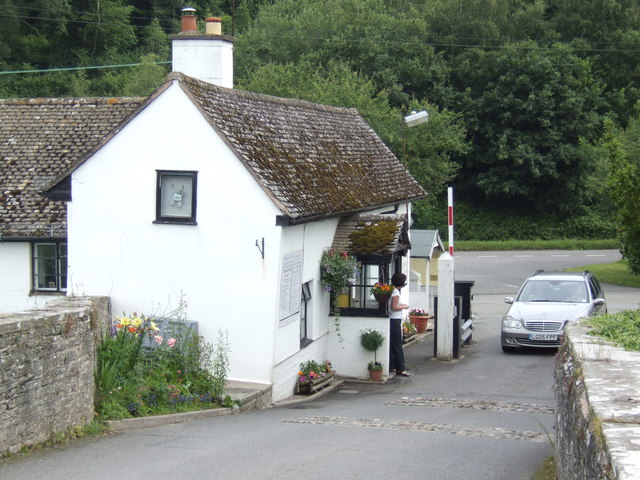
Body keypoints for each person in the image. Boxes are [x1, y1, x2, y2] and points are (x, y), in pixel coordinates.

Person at [389, 272, 410, 377]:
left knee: (393, 344)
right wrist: (405, 306)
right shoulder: (396, 293)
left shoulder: (391, 290)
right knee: (397, 344)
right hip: (395, 319)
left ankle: (393, 366)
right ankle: (401, 368)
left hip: (392, 319)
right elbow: (394, 307)